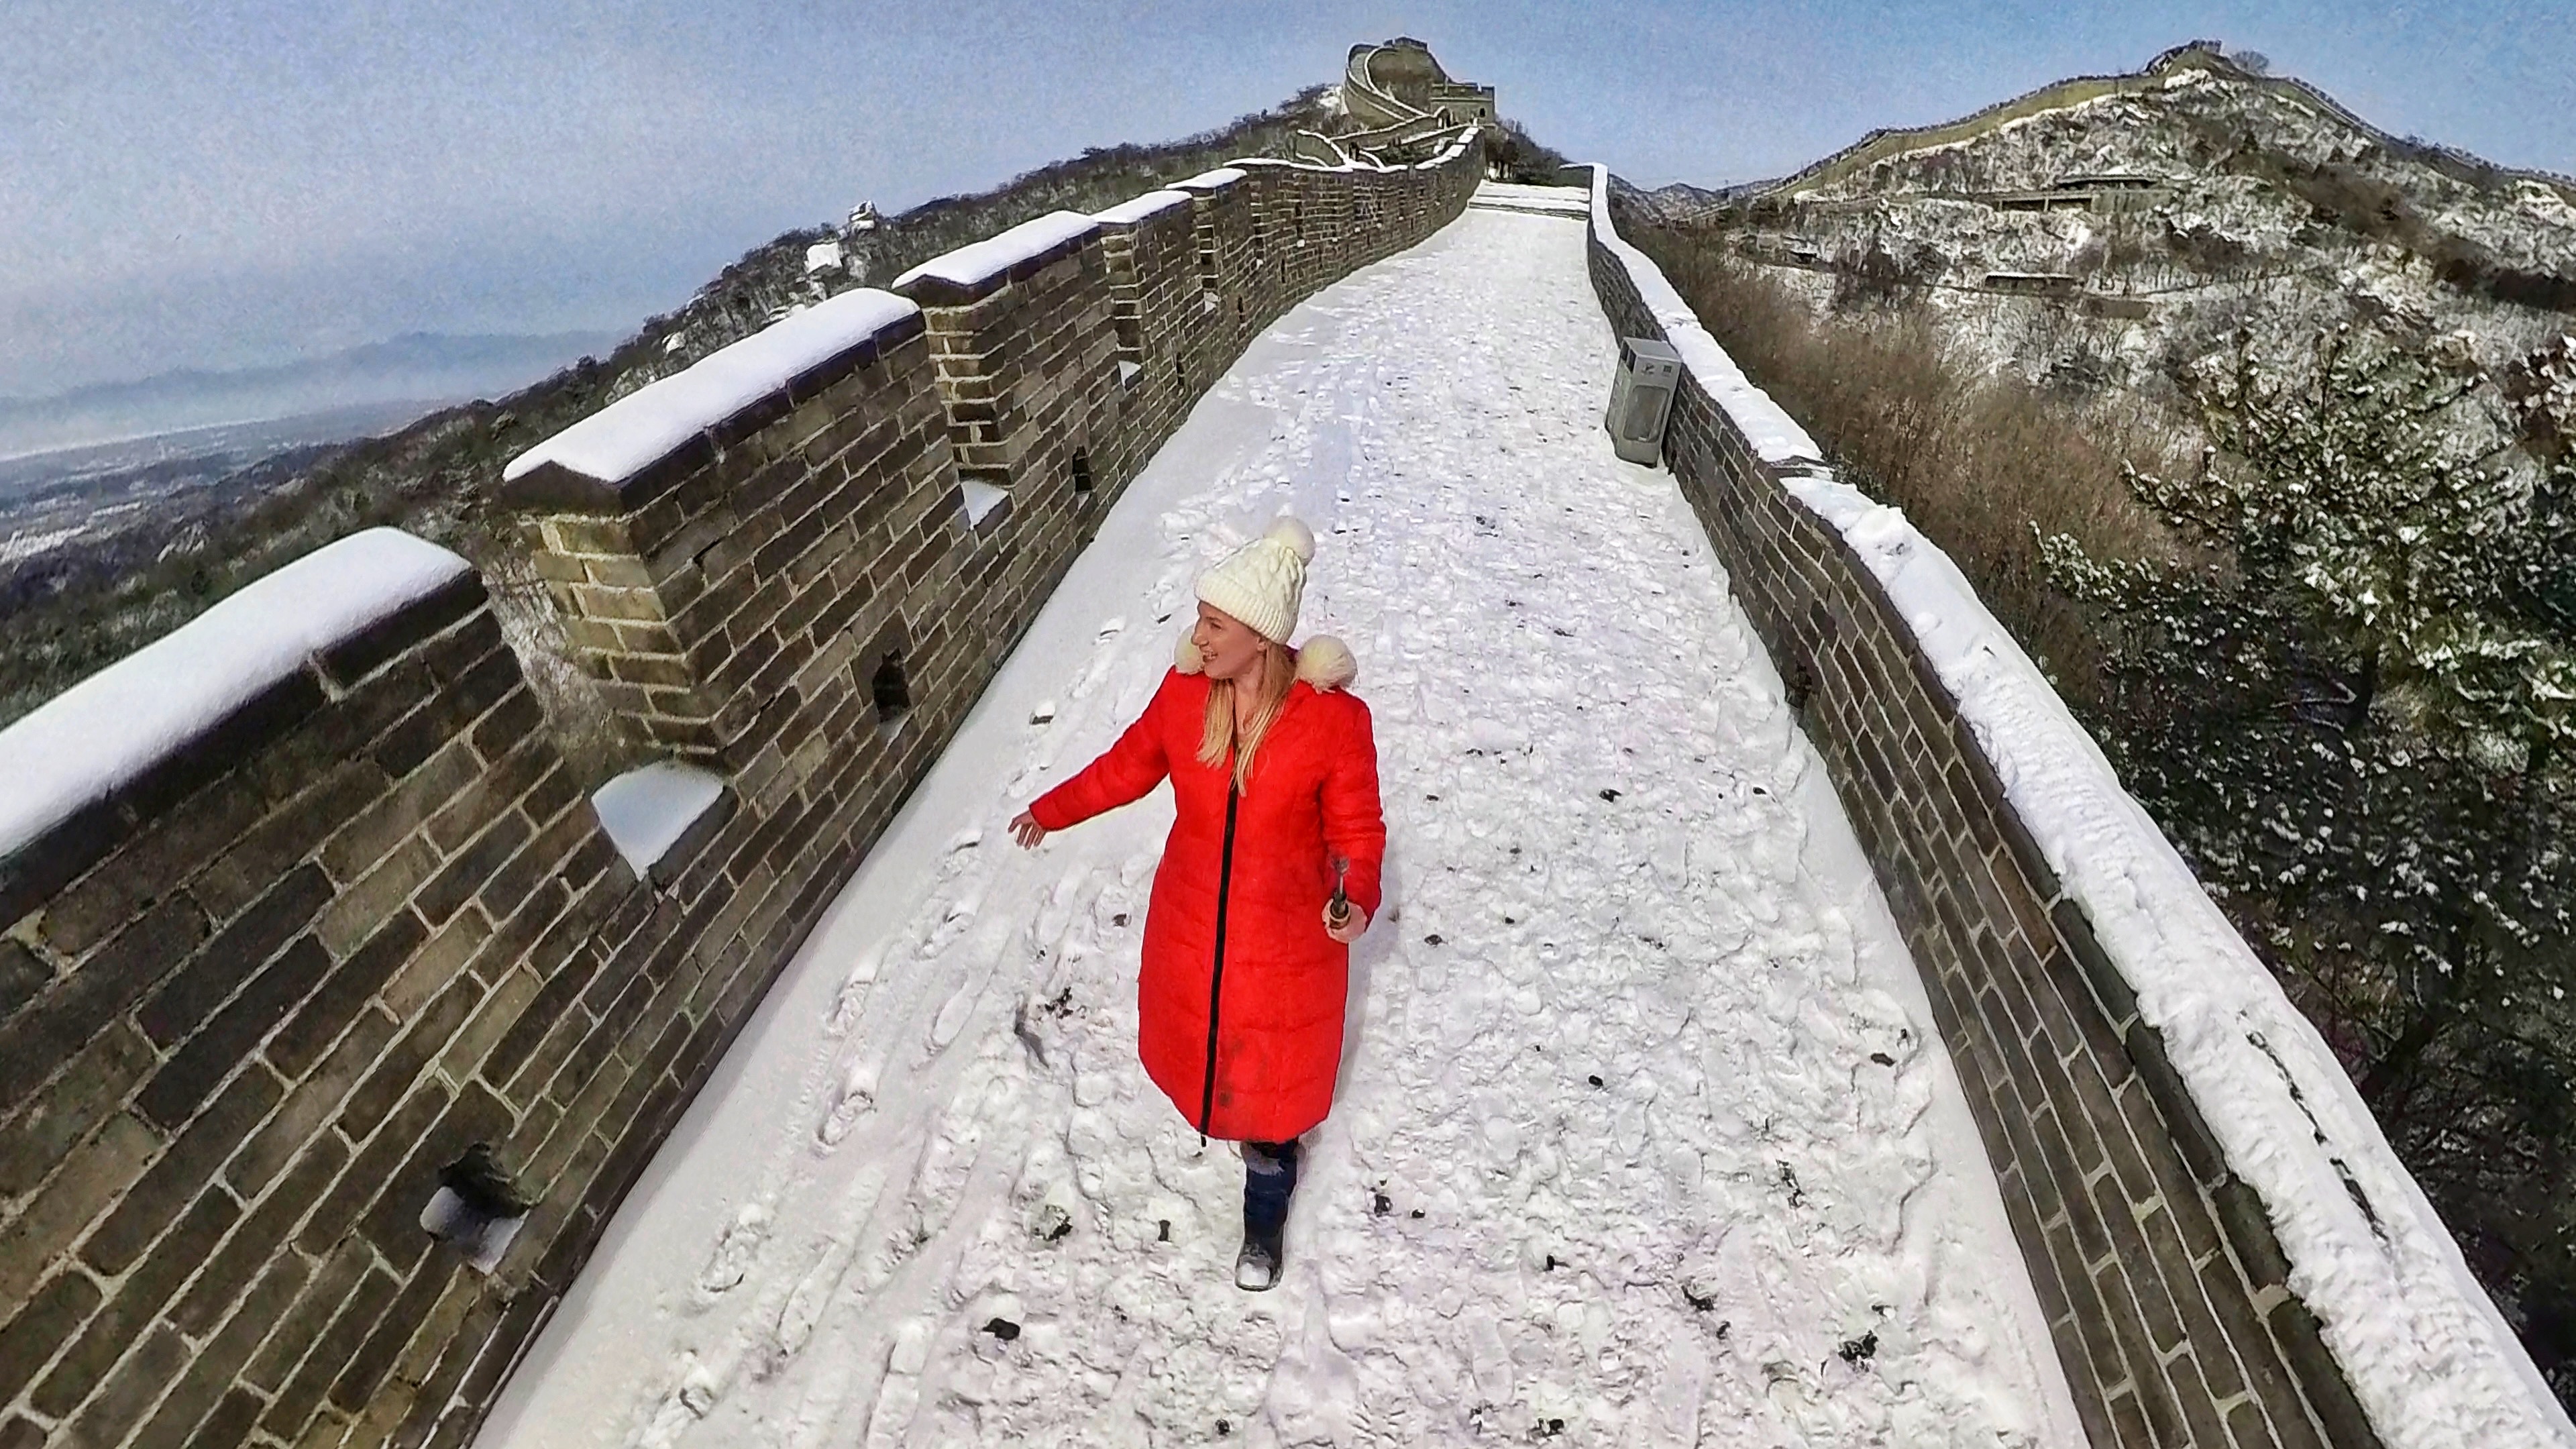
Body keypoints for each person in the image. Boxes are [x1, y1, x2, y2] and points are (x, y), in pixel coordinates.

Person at [1010, 516, 1385, 1291]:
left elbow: (1356, 832)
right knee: (1208, 1054)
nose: (1200, 637)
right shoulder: (1186, 699)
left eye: (1215, 624)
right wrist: (1050, 810)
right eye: (1201, 621)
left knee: (1273, 1104)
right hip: (1192, 925)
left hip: (1286, 947)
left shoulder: (1332, 722)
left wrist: (1354, 897)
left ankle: (1263, 1225)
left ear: (1259, 635)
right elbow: (1124, 768)